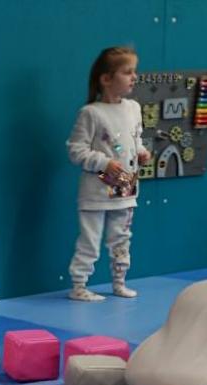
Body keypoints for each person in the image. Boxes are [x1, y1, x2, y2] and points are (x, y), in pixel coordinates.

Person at [66, 45, 151, 301]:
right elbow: (76, 150)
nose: (134, 77)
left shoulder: (133, 108)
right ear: (106, 79)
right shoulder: (91, 113)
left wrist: (141, 151)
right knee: (90, 240)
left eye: (134, 71)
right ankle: (79, 285)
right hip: (95, 194)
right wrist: (103, 162)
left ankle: (119, 282)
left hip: (125, 187)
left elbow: (133, 139)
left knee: (122, 238)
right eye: (127, 72)